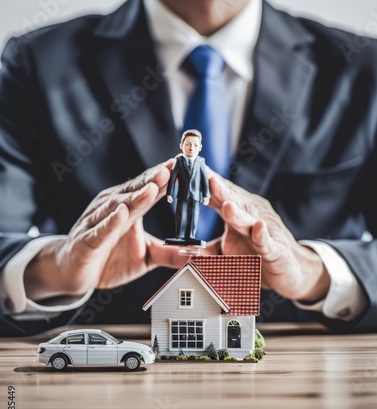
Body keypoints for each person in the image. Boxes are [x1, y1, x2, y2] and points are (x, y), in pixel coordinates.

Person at [1, 0, 377, 336]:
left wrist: (314, 273)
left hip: (303, 378)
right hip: (106, 380)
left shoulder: (361, 68)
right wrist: (53, 269)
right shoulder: (35, 63)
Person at [166, 129, 210, 243]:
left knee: (194, 216)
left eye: (195, 145)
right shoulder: (179, 161)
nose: (191, 148)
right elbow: (173, 177)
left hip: (195, 195)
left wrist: (206, 195)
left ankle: (191, 235)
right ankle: (179, 235)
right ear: (181, 146)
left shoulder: (201, 161)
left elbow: (205, 180)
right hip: (182, 194)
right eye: (188, 144)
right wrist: (169, 193)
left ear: (200, 147)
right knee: (180, 215)